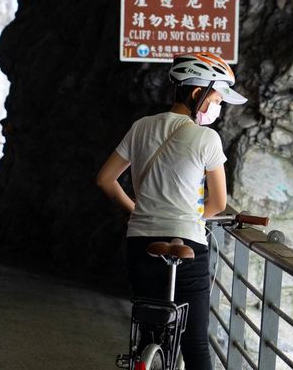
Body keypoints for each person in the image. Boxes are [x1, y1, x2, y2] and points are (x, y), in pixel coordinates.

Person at [96, 53, 246, 370]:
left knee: (150, 327)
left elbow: (106, 180)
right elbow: (218, 203)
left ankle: (146, 357)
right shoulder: (207, 138)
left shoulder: (141, 127)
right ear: (197, 93)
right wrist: (189, 216)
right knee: (194, 346)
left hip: (140, 243)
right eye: (217, 99)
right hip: (186, 244)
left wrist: (136, 210)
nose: (218, 108)